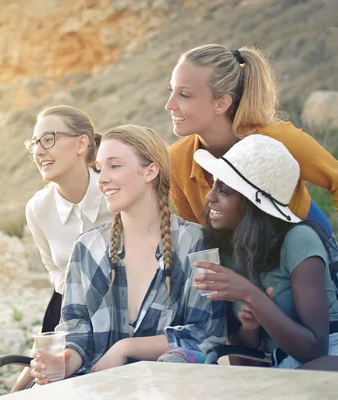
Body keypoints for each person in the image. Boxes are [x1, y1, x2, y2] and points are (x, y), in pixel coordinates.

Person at [30, 124, 227, 385]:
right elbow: (76, 330)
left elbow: (206, 333)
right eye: (99, 169)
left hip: (168, 388)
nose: (101, 179)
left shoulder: (197, 243)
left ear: (150, 171)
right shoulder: (87, 247)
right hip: (95, 388)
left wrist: (125, 347)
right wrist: (63, 361)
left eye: (115, 166)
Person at [165, 43, 338, 262]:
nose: (169, 105)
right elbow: (200, 237)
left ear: (221, 103)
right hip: (247, 260)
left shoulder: (279, 139)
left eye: (184, 95)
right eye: (171, 91)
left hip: (305, 251)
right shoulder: (176, 160)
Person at [192, 134, 338, 372]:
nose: (210, 197)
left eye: (224, 191)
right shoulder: (227, 253)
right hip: (285, 367)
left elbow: (315, 349)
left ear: (253, 203)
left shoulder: (298, 240)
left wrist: (251, 294)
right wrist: (250, 327)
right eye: (214, 185)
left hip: (337, 353)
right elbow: (242, 361)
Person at [11, 105, 114, 392]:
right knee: (21, 389)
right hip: (66, 310)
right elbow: (53, 268)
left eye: (49, 139)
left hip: (122, 313)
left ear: (82, 143)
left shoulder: (116, 194)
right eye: (34, 143)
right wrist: (76, 296)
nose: (39, 151)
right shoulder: (37, 208)